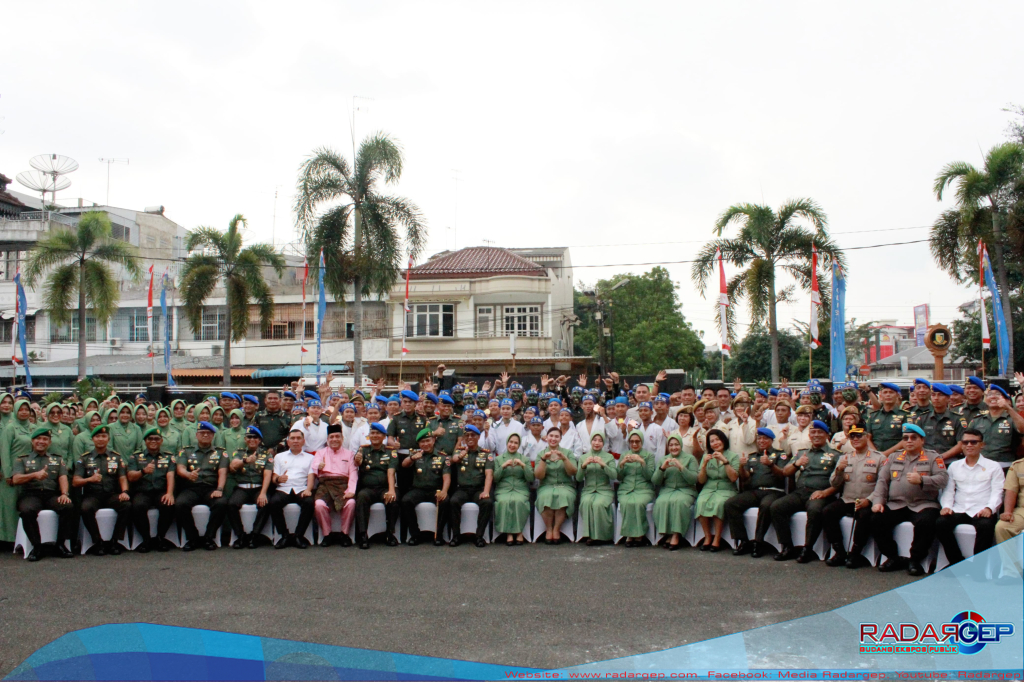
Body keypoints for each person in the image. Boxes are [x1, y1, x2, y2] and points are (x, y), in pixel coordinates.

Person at [870, 423, 949, 576]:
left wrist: (922, 480)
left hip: (923, 503)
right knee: (876, 519)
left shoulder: (933, 457)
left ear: (922, 440)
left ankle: (915, 559)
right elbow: (882, 480)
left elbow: (943, 479)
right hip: (896, 504)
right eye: (906, 438)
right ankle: (893, 557)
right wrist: (878, 502)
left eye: (914, 438)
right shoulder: (894, 457)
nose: (909, 441)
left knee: (926, 522)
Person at [935, 427, 1005, 569]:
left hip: (982, 510)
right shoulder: (955, 466)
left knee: (986, 527)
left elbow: (998, 492)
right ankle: (957, 563)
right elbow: (948, 491)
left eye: (973, 442)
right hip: (959, 509)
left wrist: (989, 508)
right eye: (965, 442)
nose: (969, 445)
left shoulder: (993, 466)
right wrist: (947, 507)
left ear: (982, 445)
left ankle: (978, 568)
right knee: (941, 523)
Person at [771, 420, 840, 562]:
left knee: (814, 511)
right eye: (813, 432)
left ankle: (807, 548)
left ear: (827, 435)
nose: (816, 435)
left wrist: (826, 492)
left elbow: (841, 481)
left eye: (819, 432)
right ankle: (787, 546)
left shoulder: (835, 455)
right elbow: (785, 472)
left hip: (821, 493)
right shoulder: (802, 453)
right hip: (800, 492)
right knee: (777, 507)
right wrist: (797, 463)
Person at [821, 422, 880, 568]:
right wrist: (839, 470)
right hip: (848, 499)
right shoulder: (844, 458)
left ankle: (856, 553)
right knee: (828, 511)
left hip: (867, 500)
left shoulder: (879, 458)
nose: (855, 439)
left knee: (865, 515)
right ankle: (839, 551)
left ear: (866, 437)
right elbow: (834, 484)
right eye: (852, 436)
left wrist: (869, 500)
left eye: (859, 436)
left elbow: (883, 486)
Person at [11, 428, 74, 560]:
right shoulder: (22, 459)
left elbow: (63, 477)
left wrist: (64, 494)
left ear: (49, 442)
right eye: (38, 439)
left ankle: (60, 545)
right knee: (27, 511)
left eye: (45, 439)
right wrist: (34, 475)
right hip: (30, 494)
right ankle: (37, 547)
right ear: (32, 441)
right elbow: (16, 479)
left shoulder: (57, 459)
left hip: (51, 494)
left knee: (68, 506)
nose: (41, 441)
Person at [726, 428, 788, 558]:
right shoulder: (752, 456)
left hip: (774, 491)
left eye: (765, 438)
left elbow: (783, 475)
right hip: (755, 491)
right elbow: (746, 478)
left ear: (771, 440)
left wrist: (771, 465)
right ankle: (742, 540)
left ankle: (758, 542)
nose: (761, 441)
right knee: (731, 504)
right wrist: (741, 467)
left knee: (766, 506)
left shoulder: (780, 454)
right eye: (759, 438)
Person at [72, 424, 131, 556]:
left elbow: (122, 477)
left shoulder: (116, 457)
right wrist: (89, 479)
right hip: (92, 495)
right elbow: (75, 481)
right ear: (93, 439)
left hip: (111, 494)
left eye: (104, 436)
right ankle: (97, 541)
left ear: (108, 439)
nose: (101, 439)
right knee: (86, 508)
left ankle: (115, 541)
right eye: (98, 436)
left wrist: (125, 492)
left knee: (126, 505)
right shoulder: (85, 458)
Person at [174, 421, 230, 551]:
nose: (205, 435)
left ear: (213, 436)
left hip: (211, 488)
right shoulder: (186, 451)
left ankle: (209, 538)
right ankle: (192, 538)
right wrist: (188, 474)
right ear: (196, 435)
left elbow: (223, 472)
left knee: (221, 503)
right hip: (191, 488)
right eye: (202, 433)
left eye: (208, 433)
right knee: (180, 504)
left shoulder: (221, 453)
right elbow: (180, 468)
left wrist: (219, 489)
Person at [126, 427, 177, 553]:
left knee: (168, 504)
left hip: (161, 491)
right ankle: (146, 539)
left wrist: (170, 493)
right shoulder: (136, 457)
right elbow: (131, 477)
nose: (153, 441)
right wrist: (143, 471)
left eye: (156, 439)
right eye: (150, 439)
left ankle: (160, 538)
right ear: (145, 441)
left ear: (161, 441)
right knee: (137, 506)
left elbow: (170, 475)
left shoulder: (169, 457)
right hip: (143, 491)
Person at [225, 425, 275, 549]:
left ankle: (255, 535)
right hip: (242, 487)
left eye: (255, 437)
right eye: (249, 437)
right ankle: (240, 536)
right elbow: (233, 465)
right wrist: (245, 461)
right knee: (231, 504)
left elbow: (267, 475)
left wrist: (263, 493)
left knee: (265, 504)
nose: (252, 439)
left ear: (259, 440)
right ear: (245, 439)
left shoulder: (266, 455)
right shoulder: (239, 452)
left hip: (258, 487)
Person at [400, 428, 451, 546]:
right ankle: (415, 534)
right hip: (419, 489)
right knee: (406, 501)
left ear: (433, 440)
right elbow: (404, 464)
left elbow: (447, 477)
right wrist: (412, 458)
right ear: (419, 444)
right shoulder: (416, 454)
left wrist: (444, 491)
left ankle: (439, 535)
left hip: (436, 490)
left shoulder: (442, 456)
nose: (426, 444)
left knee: (445, 501)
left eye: (428, 441)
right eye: (422, 442)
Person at [311, 423, 358, 547]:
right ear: (327, 440)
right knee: (319, 505)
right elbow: (314, 467)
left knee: (351, 503)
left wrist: (351, 490)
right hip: (325, 484)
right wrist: (318, 467)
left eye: (337, 436)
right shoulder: (320, 453)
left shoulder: (350, 454)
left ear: (342, 439)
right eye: (331, 437)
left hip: (343, 484)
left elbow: (353, 473)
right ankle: (327, 534)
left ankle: (345, 534)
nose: (334, 439)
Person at [354, 422, 399, 548]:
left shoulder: (391, 452)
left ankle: (390, 534)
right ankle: (363, 535)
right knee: (361, 497)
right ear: (368, 436)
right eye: (372, 433)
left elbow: (391, 472)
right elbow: (356, 464)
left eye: (378, 433)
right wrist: (357, 461)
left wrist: (391, 490)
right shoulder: (363, 450)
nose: (374, 436)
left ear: (384, 436)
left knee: (393, 500)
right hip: (367, 488)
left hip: (385, 487)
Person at [268, 429, 316, 549]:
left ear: (303, 441)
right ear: (288, 442)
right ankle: (284, 535)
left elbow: (311, 476)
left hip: (301, 488)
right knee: (273, 502)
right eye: (292, 438)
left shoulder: (310, 457)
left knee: (309, 502)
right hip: (284, 488)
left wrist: (309, 489)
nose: (295, 441)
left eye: (298, 438)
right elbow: (274, 477)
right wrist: (278, 479)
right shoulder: (279, 457)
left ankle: (298, 536)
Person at [448, 424, 494, 547]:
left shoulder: (486, 454)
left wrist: (486, 491)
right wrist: (460, 455)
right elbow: (453, 459)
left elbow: (489, 474)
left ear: (478, 437)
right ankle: (456, 536)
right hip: (462, 489)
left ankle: (479, 536)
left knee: (487, 502)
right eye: (466, 435)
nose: (469, 437)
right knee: (453, 502)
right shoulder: (459, 451)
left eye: (472, 435)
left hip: (478, 489)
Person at [695, 428, 739, 551]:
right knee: (701, 502)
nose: (715, 443)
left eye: (717, 440)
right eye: (712, 441)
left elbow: (733, 478)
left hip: (726, 488)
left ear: (723, 440)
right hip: (709, 487)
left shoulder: (733, 456)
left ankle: (717, 538)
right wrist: (703, 465)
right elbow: (701, 480)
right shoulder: (706, 456)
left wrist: (725, 461)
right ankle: (707, 536)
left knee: (719, 503)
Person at [653, 432, 698, 550]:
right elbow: (656, 481)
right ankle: (667, 533)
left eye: (676, 444)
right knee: (661, 502)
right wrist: (662, 468)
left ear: (681, 445)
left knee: (679, 502)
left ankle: (676, 535)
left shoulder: (690, 458)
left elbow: (694, 479)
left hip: (685, 490)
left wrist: (681, 467)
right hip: (667, 490)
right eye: (671, 445)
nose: (674, 447)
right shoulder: (664, 459)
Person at [535, 426, 578, 544]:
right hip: (547, 485)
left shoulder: (567, 453)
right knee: (546, 496)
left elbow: (573, 472)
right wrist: (543, 460)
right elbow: (539, 476)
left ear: (560, 438)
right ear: (547, 438)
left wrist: (564, 459)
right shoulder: (541, 454)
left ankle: (556, 529)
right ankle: (548, 529)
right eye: (551, 436)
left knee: (563, 496)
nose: (553, 439)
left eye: (556, 436)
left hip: (565, 485)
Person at [968, 384, 1024, 466]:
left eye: (998, 394)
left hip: (1005, 463)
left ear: (1007, 400)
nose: (993, 397)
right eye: (989, 395)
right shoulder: (977, 419)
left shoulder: (1012, 418)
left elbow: (1022, 429)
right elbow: (967, 441)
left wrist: (1008, 408)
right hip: (981, 463)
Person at [617, 428, 656, 547]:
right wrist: (622, 464)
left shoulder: (648, 456)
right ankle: (629, 535)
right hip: (626, 488)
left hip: (643, 489)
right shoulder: (625, 455)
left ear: (641, 442)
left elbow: (650, 477)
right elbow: (619, 477)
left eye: (637, 441)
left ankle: (639, 535)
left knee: (638, 503)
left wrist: (642, 463)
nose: (634, 444)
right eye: (632, 441)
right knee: (626, 502)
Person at [576, 433, 616, 546]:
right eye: (594, 440)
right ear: (590, 441)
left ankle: (603, 536)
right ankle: (589, 534)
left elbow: (614, 475)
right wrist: (583, 466)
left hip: (604, 490)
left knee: (598, 504)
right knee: (586, 502)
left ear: (603, 443)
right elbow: (578, 478)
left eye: (600, 441)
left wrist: (603, 465)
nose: (597, 443)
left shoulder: (609, 457)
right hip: (588, 489)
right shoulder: (584, 457)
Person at [493, 432, 533, 546]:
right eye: (511, 442)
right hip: (503, 489)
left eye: (516, 443)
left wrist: (523, 466)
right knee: (504, 502)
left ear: (519, 445)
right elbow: (495, 479)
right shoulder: (499, 459)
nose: (512, 445)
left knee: (519, 502)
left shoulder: (524, 459)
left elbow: (530, 477)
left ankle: (519, 532)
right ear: (507, 443)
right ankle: (509, 533)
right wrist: (503, 466)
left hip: (520, 489)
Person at [866, 383, 909, 456]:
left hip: (897, 457)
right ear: (881, 396)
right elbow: (867, 438)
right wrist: (876, 455)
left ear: (897, 396)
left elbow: (906, 439)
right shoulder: (873, 416)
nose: (888, 395)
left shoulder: (905, 415)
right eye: (885, 392)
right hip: (875, 458)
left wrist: (885, 454)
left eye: (891, 392)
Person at [996, 452, 1024, 545]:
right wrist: (1008, 512)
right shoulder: (1018, 465)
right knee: (1002, 527)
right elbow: (1011, 490)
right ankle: (1011, 560)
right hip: (1022, 511)